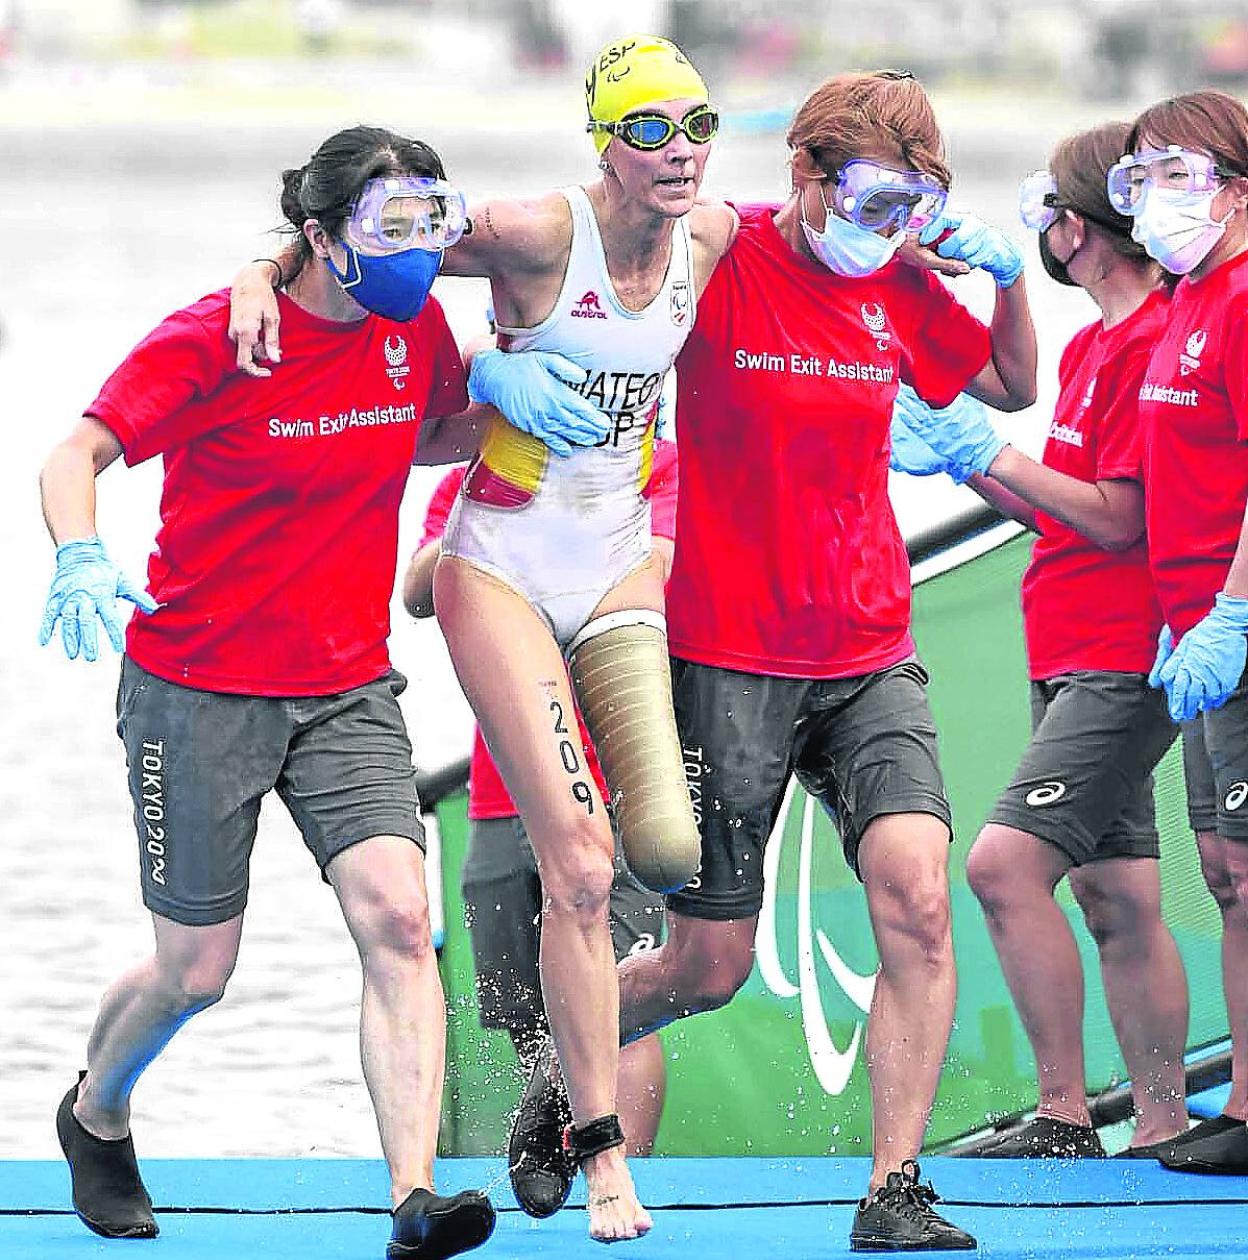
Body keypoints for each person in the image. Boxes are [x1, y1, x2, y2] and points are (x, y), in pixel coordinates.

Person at [472, 69, 1038, 1251]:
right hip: (727, 659)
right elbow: (595, 245)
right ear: (806, 176)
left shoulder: (896, 278)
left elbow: (1009, 382)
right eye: (870, 200)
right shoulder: (724, 259)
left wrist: (1008, 274)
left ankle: (894, 1191)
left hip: (871, 649)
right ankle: (563, 1078)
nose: (884, 229)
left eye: (909, 205)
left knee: (919, 900)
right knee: (709, 965)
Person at [230, 34, 737, 1244]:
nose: (678, 152)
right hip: (498, 567)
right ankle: (606, 1160)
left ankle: (563, 1075)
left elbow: (834, 234)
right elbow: (360, 229)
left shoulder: (711, 236)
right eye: (649, 129)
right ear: (603, 139)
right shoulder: (531, 234)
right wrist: (258, 274)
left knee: (662, 850)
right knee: (579, 861)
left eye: (697, 124)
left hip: (615, 563)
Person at [37, 126, 499, 1260]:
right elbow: (74, 455)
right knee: (197, 971)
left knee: (399, 917)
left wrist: (535, 400)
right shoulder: (220, 333)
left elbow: (432, 431)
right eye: (390, 229)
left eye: (430, 225)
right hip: (197, 686)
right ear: (319, 236)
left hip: (344, 685)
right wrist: (78, 553)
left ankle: (413, 1199)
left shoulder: (415, 325)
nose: (416, 252)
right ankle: (95, 1112)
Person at [890, 121, 1189, 1159]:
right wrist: (963, 461)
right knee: (1117, 892)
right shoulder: (1094, 343)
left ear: (1084, 227)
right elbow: (1057, 507)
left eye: (1053, 210)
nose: (1046, 229)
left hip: (1122, 652)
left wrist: (986, 447)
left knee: (1003, 868)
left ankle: (1064, 1114)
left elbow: (1117, 517)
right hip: (1066, 646)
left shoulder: (1159, 338)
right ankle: (1161, 1123)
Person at [403, 435, 679, 1160]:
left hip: (617, 777)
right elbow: (418, 593)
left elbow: (660, 568)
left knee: (618, 1002)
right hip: (501, 790)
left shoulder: (658, 461)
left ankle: (621, 1170)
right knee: (530, 1015)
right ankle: (559, 1159)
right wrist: (489, 492)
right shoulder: (478, 474)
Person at [1117, 90, 1248, 1174]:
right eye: (1139, 177)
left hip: (1234, 620)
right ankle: (1246, 1102)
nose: (1153, 198)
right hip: (1191, 617)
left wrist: (1235, 609)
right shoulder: (1188, 299)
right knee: (1225, 865)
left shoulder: (1246, 298)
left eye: (1176, 173)